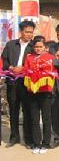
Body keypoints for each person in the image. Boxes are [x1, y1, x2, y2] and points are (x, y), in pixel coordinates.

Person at [1, 20, 34, 149]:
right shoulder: (10, 45)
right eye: (27, 32)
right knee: (13, 110)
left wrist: (23, 68)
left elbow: (37, 64)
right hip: (12, 83)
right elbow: (4, 61)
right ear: (21, 32)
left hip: (27, 83)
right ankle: (14, 137)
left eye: (31, 32)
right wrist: (10, 67)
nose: (29, 35)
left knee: (27, 111)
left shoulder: (34, 47)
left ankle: (28, 139)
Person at [23, 36, 57, 154]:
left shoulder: (51, 58)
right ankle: (37, 143)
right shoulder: (29, 58)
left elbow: (54, 73)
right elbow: (26, 71)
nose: (38, 49)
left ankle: (46, 143)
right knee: (34, 118)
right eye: (36, 47)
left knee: (46, 118)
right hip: (32, 91)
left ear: (45, 47)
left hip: (45, 91)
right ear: (33, 47)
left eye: (40, 47)